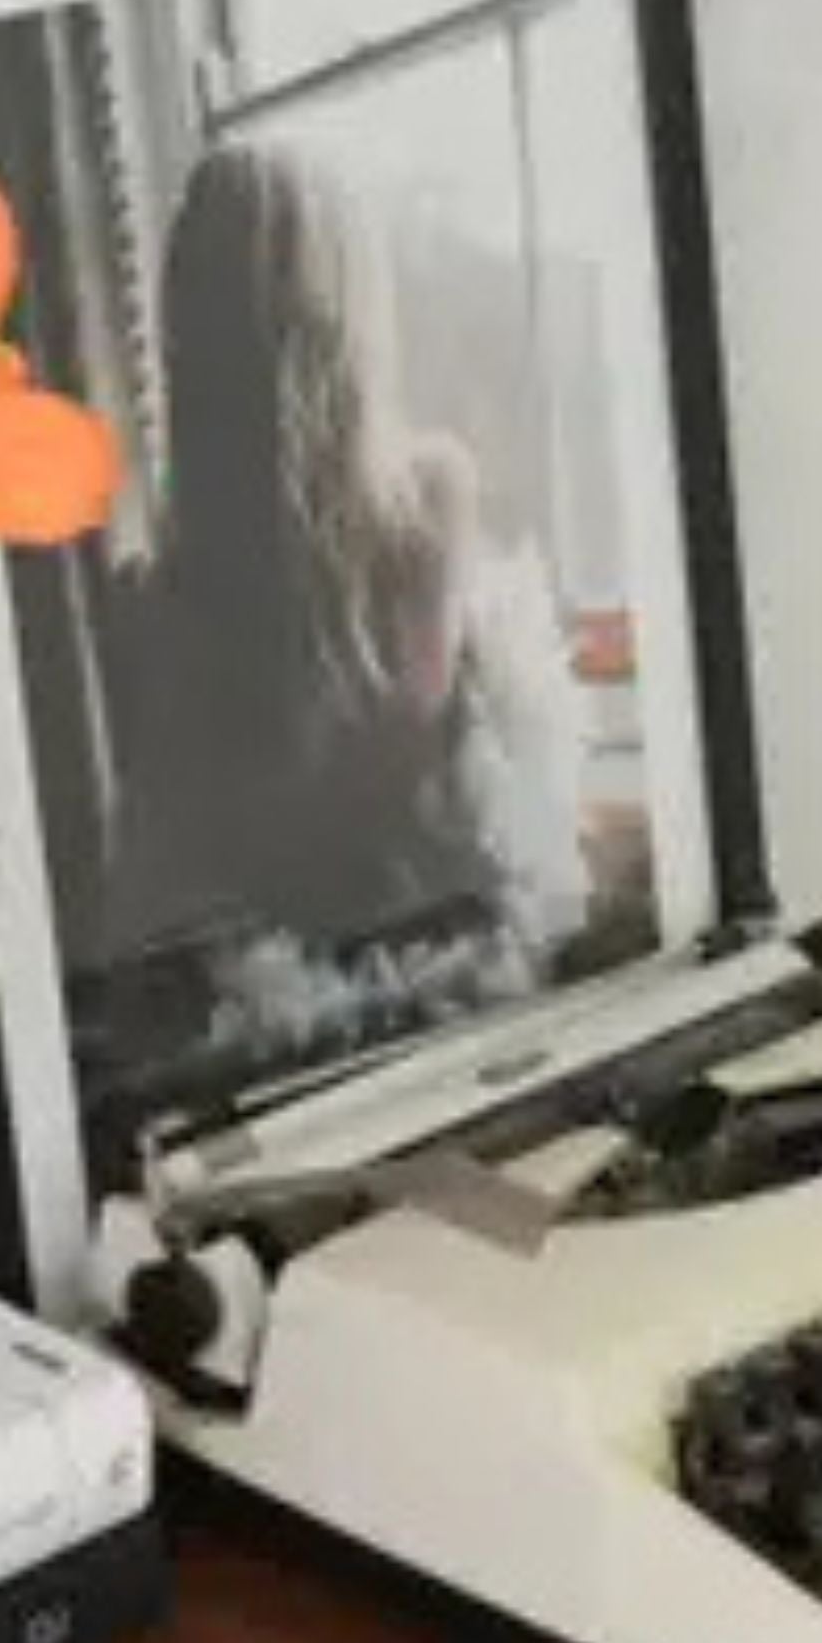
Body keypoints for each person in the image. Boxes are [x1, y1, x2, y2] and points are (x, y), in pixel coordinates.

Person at [93, 138, 586, 1069]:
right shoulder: (433, 504)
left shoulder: (146, 608)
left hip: (270, 1045)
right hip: (457, 1001)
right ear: (355, 315)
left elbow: (187, 879)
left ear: (187, 342)